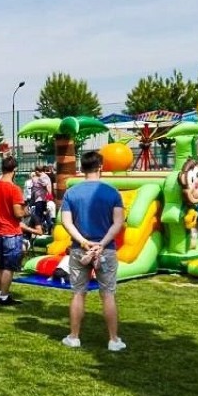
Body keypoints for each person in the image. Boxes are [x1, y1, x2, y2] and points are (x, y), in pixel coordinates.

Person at [60, 151, 126, 352]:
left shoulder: (71, 193)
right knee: (108, 295)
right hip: (106, 251)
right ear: (101, 167)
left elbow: (66, 221)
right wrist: (103, 243)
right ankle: (114, 340)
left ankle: (74, 336)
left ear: (82, 168)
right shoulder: (112, 192)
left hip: (80, 250)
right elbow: (118, 222)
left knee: (78, 293)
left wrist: (82, 241)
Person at [0, 156, 30, 305]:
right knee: (9, 267)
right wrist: (26, 211)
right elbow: (18, 213)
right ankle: (4, 296)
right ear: (15, 170)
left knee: (0, 265)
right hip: (11, 231)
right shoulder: (14, 188)